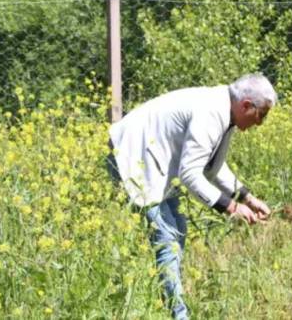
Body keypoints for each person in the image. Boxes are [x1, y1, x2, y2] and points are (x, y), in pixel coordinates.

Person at [106, 73, 276, 319]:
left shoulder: (226, 112)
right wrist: (231, 208)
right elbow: (190, 174)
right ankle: (177, 314)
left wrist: (247, 198)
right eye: (262, 115)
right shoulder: (211, 113)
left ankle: (166, 302)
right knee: (168, 240)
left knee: (178, 231)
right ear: (246, 105)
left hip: (157, 161)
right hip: (133, 154)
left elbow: (214, 168)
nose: (260, 123)